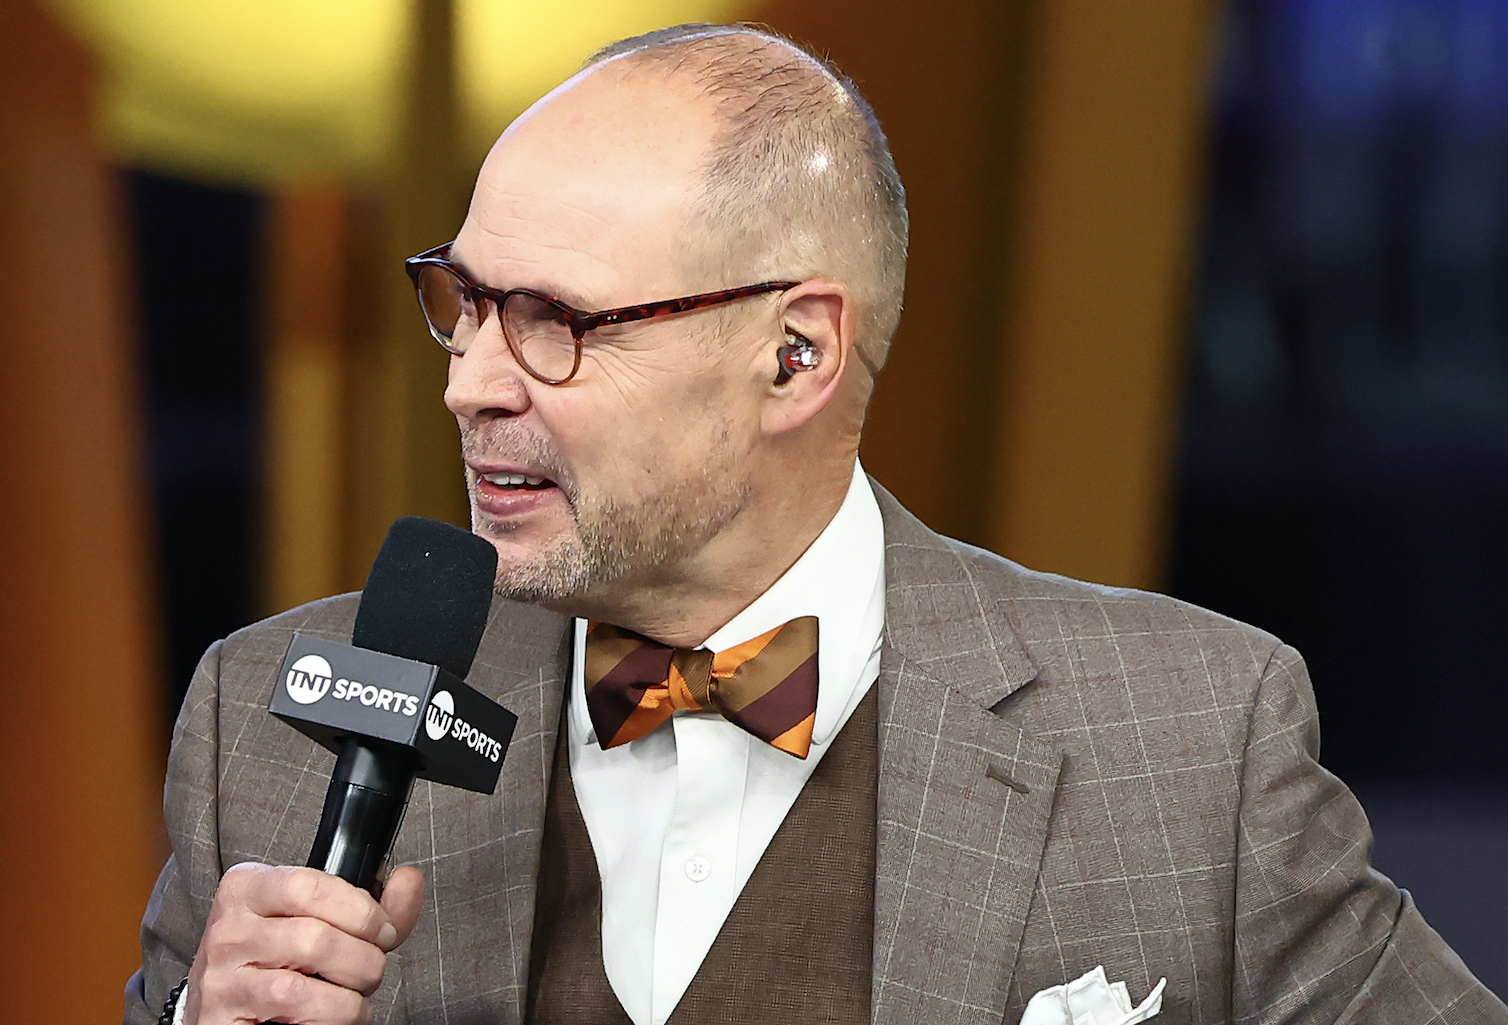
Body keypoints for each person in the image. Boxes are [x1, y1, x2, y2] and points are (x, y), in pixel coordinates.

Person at [125, 23, 1507, 1025]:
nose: (470, 383)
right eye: (465, 303)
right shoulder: (261, 722)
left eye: (553, 324)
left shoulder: (1187, 745)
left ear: (796, 355)